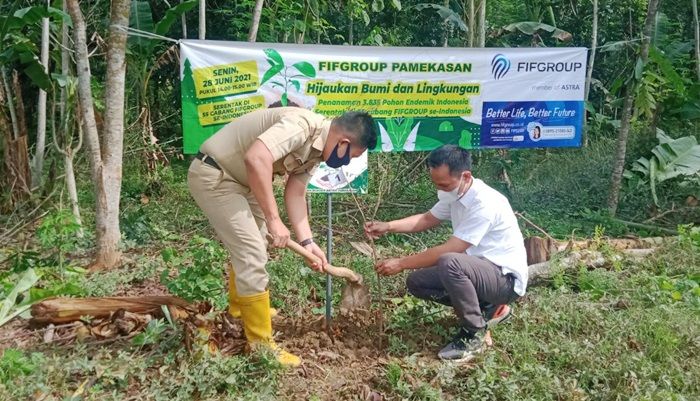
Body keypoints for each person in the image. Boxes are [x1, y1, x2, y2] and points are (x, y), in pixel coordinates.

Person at [189, 107, 377, 367]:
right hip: (217, 176)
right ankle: (261, 347)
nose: (346, 162)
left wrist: (308, 243)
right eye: (350, 157)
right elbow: (256, 158)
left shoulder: (316, 151)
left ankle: (238, 310)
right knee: (251, 252)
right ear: (344, 143)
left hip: (245, 183)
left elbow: (296, 192)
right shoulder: (301, 126)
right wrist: (274, 220)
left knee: (255, 251)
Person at [365, 145, 527, 361]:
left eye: (444, 184)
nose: (440, 189)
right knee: (417, 282)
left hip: (504, 280)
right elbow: (426, 219)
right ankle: (488, 308)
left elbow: (452, 249)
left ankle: (474, 333)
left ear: (465, 176)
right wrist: (388, 225)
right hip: (478, 272)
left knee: (450, 262)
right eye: (436, 183)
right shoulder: (454, 194)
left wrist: (401, 262)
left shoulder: (485, 203)